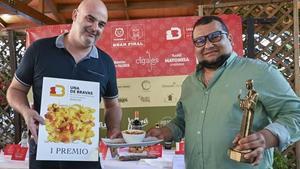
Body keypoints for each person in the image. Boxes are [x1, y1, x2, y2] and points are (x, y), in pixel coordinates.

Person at [147, 15, 300, 169]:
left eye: (215, 37)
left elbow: (296, 114)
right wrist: (166, 131)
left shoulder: (261, 72)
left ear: (230, 39)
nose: (208, 45)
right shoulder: (189, 84)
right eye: (200, 41)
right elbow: (183, 122)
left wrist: (266, 137)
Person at [6, 0, 122, 169]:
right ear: (75, 15)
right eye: (90, 19)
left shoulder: (106, 63)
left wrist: (114, 129)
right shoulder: (39, 50)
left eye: (101, 24)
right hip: (43, 155)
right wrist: (26, 111)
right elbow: (15, 89)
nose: (95, 27)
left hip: (85, 157)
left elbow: (112, 105)